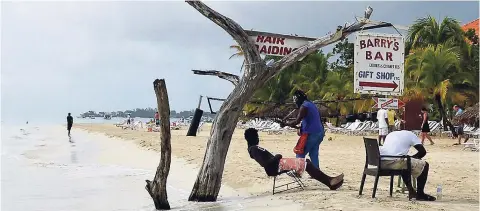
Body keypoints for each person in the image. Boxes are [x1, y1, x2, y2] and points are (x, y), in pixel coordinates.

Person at [244, 128, 344, 190]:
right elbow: (264, 163)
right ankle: (330, 182)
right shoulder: (253, 149)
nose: (258, 138)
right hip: (277, 166)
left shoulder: (254, 148)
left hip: (279, 164)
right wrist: (277, 157)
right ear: (252, 138)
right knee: (307, 163)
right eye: (256, 136)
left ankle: (329, 180)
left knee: (306, 162)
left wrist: (277, 158)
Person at [380, 130, 436, 201]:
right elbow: (422, 152)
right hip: (395, 162)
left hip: (381, 162)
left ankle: (411, 190)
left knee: (405, 161)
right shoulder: (411, 134)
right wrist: (413, 158)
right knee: (424, 165)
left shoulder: (390, 134)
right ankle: (420, 194)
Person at [280, 90, 324, 169]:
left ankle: (298, 171)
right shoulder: (311, 104)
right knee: (313, 153)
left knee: (300, 152)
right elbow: (312, 120)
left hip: (311, 134)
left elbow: (297, 121)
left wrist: (285, 124)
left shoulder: (304, 106)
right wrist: (300, 128)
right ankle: (317, 172)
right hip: (320, 132)